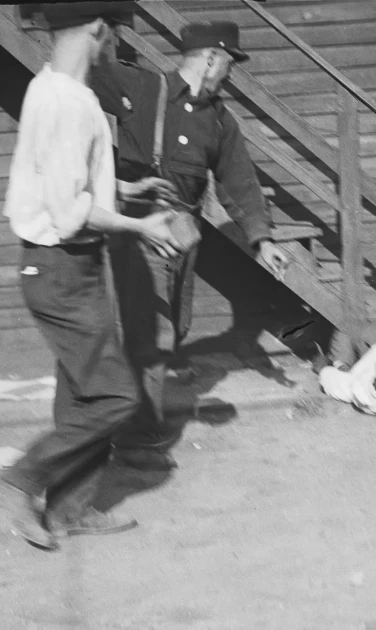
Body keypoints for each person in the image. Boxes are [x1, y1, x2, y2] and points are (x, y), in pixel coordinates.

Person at [0, 1, 183, 551]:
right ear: (99, 29)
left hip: (70, 266)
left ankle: (70, 511)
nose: (116, 47)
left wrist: (125, 191)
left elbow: (66, 181)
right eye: (116, 35)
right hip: (59, 267)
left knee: (80, 395)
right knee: (116, 399)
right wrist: (138, 224)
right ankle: (24, 477)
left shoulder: (56, 88)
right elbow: (65, 209)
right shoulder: (66, 103)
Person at [90, 21, 289, 471]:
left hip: (185, 230)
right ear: (212, 58)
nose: (232, 74)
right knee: (152, 333)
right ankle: (136, 439)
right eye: (230, 64)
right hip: (141, 230)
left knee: (175, 327)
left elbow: (240, 182)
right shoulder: (145, 88)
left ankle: (132, 420)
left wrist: (262, 239)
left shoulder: (220, 120)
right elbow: (87, 74)